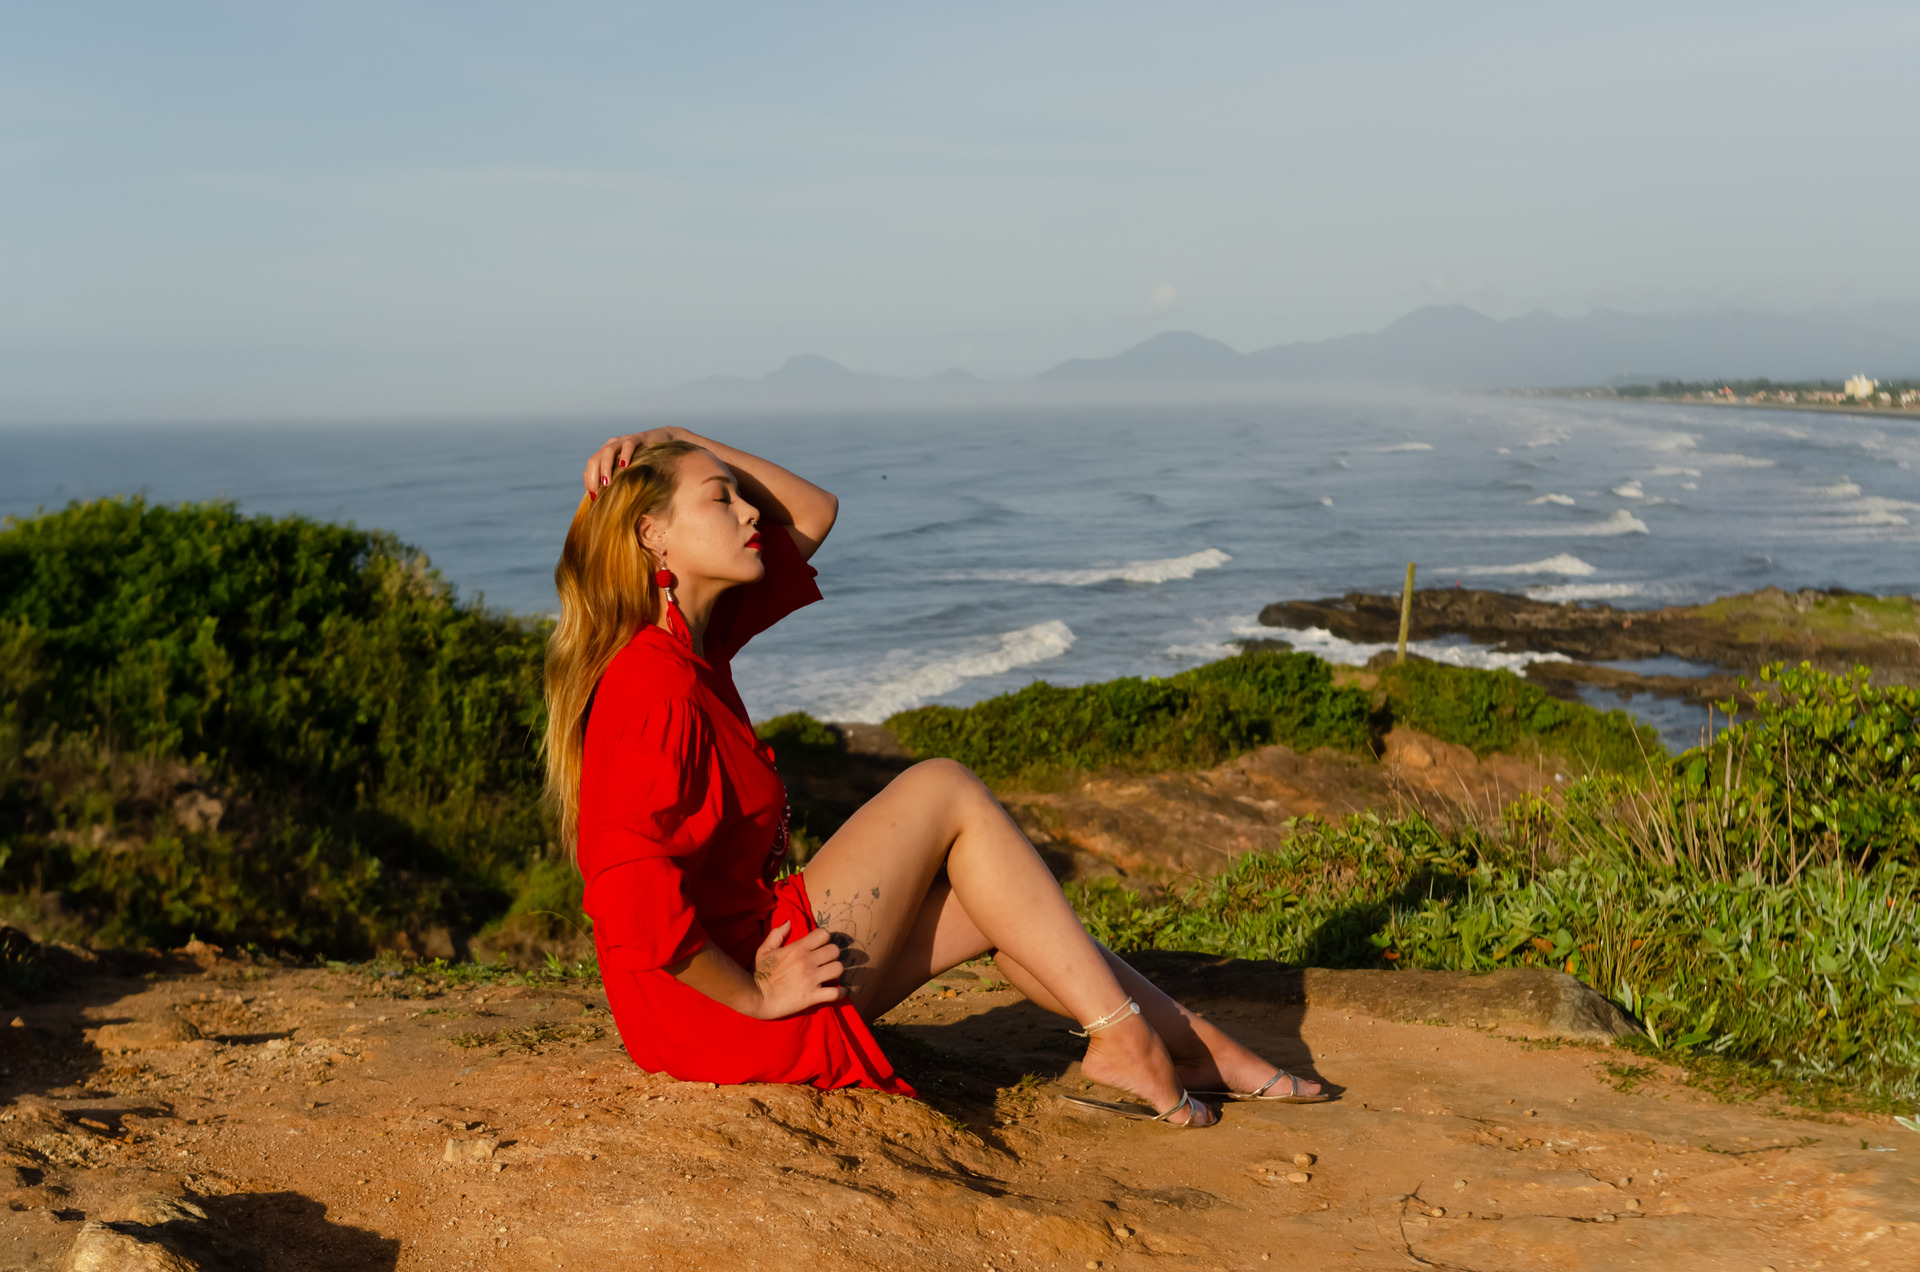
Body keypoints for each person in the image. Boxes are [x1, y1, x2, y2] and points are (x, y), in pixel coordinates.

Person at [543, 428, 1328, 1127]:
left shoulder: (695, 647)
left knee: (996, 902)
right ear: (655, 536)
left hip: (750, 957)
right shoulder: (653, 684)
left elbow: (813, 512)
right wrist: (756, 997)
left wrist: (682, 438)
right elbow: (626, 898)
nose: (750, 511)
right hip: (721, 1008)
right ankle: (1128, 1038)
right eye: (722, 498)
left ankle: (1192, 1048)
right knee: (943, 784)